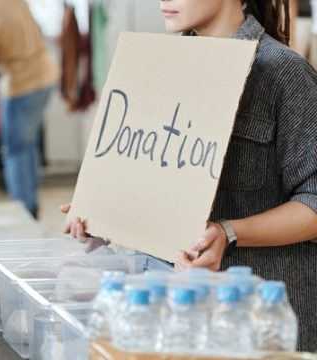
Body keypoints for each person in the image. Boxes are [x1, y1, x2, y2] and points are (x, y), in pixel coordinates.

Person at [62, 0, 317, 352]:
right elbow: (160, 184)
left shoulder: (284, 74)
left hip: (261, 327)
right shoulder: (161, 65)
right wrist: (109, 213)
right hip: (180, 320)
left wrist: (229, 233)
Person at [0, 0, 60, 218]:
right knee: (28, 145)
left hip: (21, 84)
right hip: (46, 74)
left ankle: (23, 209)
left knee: (15, 150)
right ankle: (31, 203)